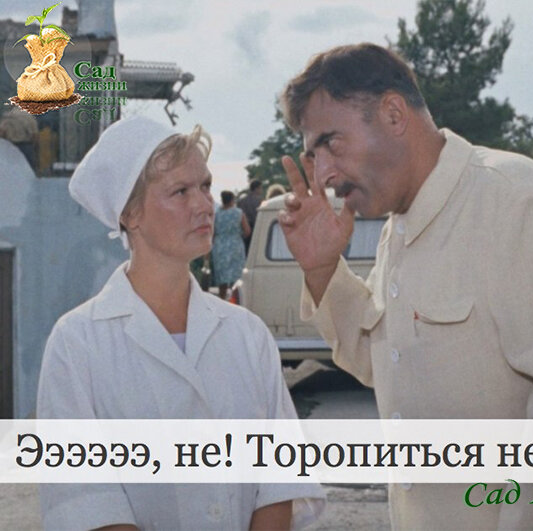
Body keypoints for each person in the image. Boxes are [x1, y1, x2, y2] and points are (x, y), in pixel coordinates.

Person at [277, 43, 533, 531]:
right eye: (313, 156)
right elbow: (385, 362)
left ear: (394, 114)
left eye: (331, 143)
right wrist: (323, 269)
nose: (324, 174)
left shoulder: (514, 199)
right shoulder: (399, 225)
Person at [36, 116, 324, 531]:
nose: (204, 205)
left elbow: (279, 480)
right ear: (130, 213)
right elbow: (85, 500)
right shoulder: (77, 343)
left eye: (205, 186)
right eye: (180, 191)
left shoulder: (247, 333)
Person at [212, 190, 250, 299]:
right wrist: (237, 236)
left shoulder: (216, 214)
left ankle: (222, 297)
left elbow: (212, 232)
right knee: (237, 276)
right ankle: (236, 298)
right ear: (232, 200)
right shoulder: (239, 213)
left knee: (222, 278)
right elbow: (247, 231)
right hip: (235, 245)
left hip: (220, 246)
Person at [238, 179, 263, 253]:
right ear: (256, 188)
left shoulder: (241, 201)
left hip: (244, 231)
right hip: (257, 229)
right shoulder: (260, 201)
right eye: (260, 188)